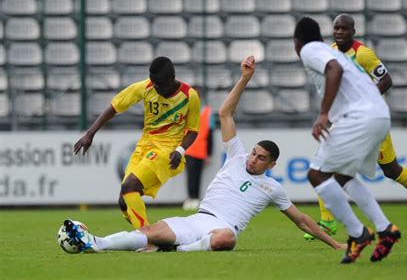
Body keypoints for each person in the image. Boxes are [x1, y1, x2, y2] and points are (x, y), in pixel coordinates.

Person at [63, 55, 346, 254]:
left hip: (221, 224)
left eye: (260, 158)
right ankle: (95, 242)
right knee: (144, 224)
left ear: (272, 165)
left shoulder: (273, 188)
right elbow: (226, 113)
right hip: (199, 218)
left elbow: (302, 220)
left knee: (227, 239)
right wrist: (245, 78)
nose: (252, 159)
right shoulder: (236, 155)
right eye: (254, 153)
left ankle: (178, 250)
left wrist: (336, 244)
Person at [305, 14, 407, 237]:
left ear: (353, 32)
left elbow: (386, 80)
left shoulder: (363, 54)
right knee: (324, 163)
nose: (339, 32)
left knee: (391, 170)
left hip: (367, 118)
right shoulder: (329, 51)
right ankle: (327, 221)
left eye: (344, 29)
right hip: (345, 120)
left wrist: (366, 101)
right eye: (336, 28)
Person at [294, 17, 401, 263]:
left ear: (296, 42)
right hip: (379, 115)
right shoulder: (330, 50)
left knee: (317, 175)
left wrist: (323, 113)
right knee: (343, 177)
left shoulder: (310, 49)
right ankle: (385, 229)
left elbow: (335, 70)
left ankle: (358, 233)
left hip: (358, 118)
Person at [74, 56, 201, 229]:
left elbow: (193, 131)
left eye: (160, 84)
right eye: (153, 82)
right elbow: (115, 106)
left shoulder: (189, 96)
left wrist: (180, 150)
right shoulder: (146, 87)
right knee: (123, 202)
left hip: (167, 150)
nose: (155, 87)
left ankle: (148, 239)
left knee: (129, 186)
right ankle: (157, 238)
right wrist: (90, 134)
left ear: (171, 79)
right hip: (145, 145)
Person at [182, 87, 214, 211]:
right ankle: (190, 198)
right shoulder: (186, 110)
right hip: (188, 148)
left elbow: (210, 135)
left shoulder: (207, 112)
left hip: (201, 150)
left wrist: (209, 153)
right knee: (190, 175)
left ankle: (195, 198)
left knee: (197, 175)